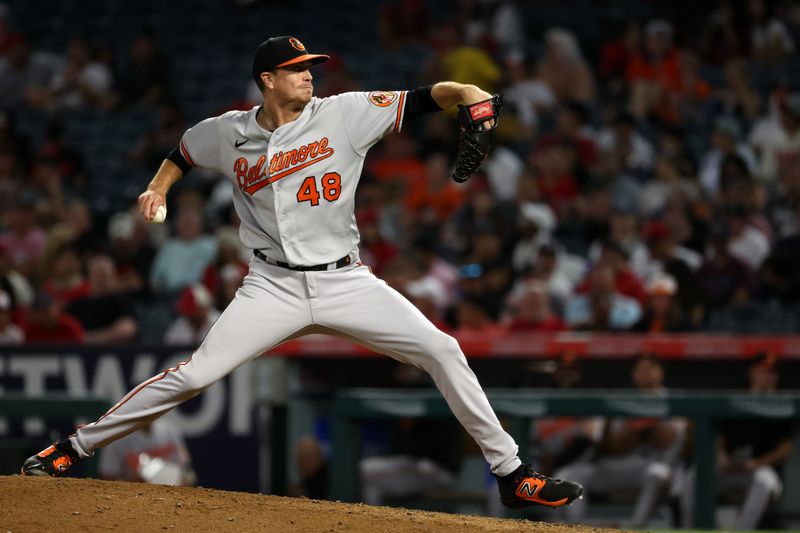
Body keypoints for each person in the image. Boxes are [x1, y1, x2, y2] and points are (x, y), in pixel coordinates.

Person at [21, 35, 582, 510]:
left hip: (345, 279)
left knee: (442, 349)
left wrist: (468, 94)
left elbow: (426, 98)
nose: (309, 76)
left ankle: (512, 475)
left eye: (311, 67)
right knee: (193, 377)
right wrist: (157, 188)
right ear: (267, 80)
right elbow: (183, 152)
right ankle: (73, 447)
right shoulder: (228, 130)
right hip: (271, 286)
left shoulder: (344, 113)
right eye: (296, 70)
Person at [678, 352, 796, 530]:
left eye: (771, 372)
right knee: (692, 477)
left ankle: (742, 530)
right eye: (762, 370)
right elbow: (719, 438)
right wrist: (722, 458)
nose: (767, 375)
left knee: (764, 481)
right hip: (729, 467)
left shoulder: (782, 405)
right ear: (752, 372)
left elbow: (786, 448)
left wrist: (757, 463)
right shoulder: (735, 401)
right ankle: (692, 528)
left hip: (760, 470)